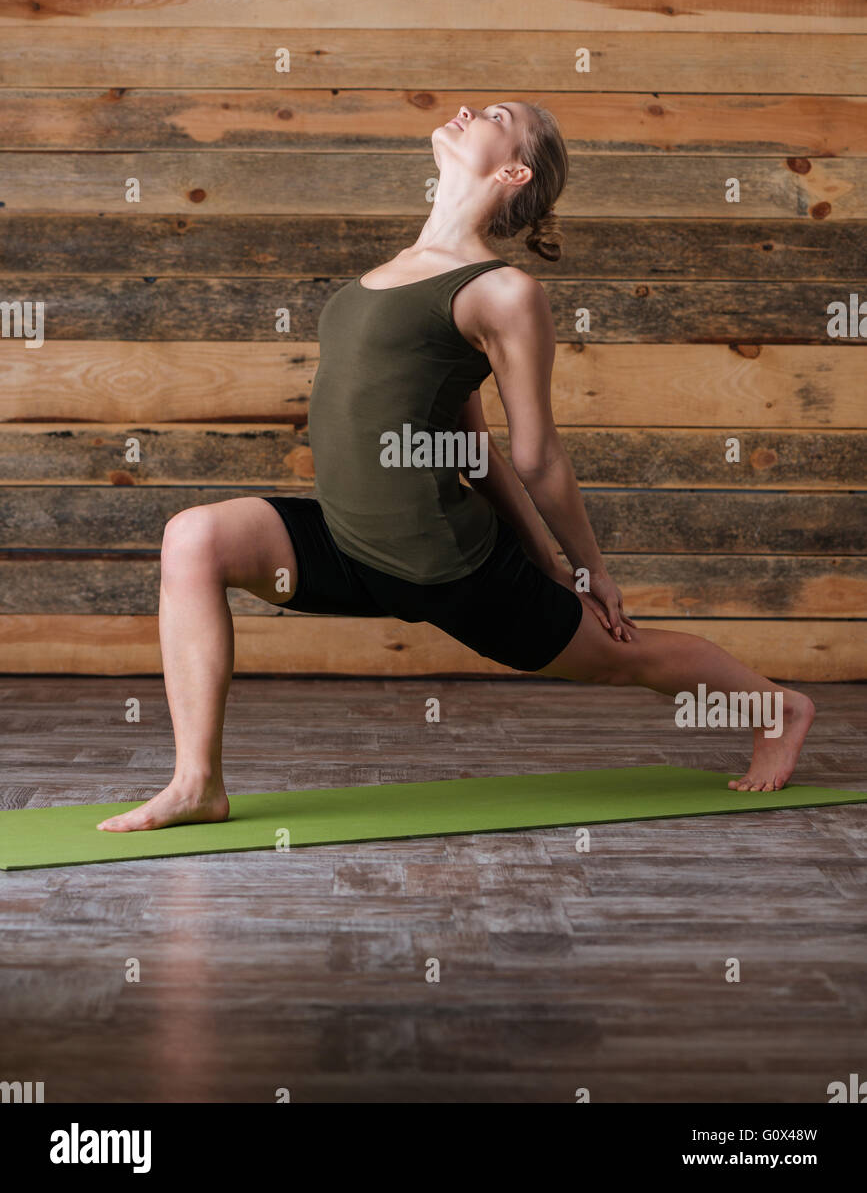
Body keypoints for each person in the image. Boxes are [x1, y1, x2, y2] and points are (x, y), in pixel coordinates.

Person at [98, 101, 813, 832]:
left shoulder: (503, 292)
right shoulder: (388, 274)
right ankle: (198, 783)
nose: (467, 108)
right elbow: (471, 443)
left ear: (512, 170)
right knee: (194, 537)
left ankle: (775, 707)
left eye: (495, 113)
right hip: (351, 542)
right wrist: (543, 559)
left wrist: (582, 568)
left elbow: (535, 455)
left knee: (617, 659)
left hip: (441, 559)